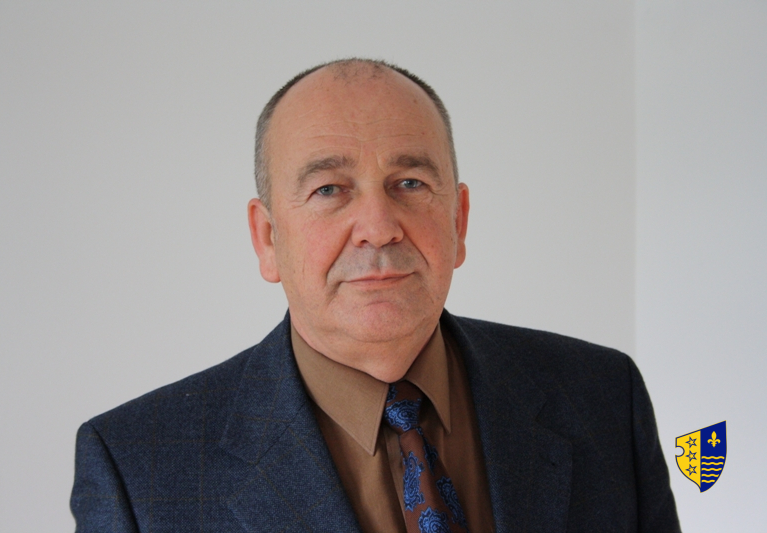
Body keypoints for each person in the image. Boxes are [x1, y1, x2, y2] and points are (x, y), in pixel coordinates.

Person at [71, 59, 680, 533]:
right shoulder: (138, 472)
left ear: (459, 220)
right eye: (330, 189)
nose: (379, 226)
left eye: (409, 183)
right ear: (267, 238)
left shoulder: (604, 397)